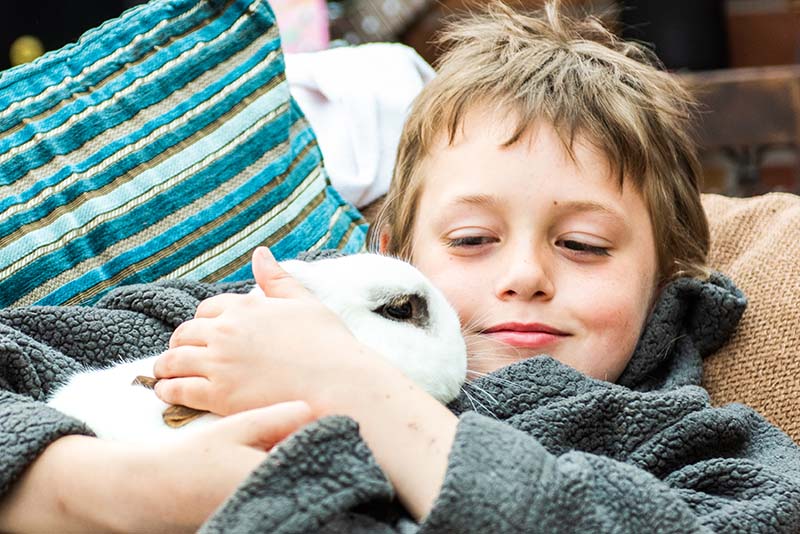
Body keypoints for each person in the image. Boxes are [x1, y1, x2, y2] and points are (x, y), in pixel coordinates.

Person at [1, 2, 799, 532]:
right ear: (392, 252)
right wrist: (115, 493)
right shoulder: (259, 319)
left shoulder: (690, 443)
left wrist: (359, 393)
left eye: (583, 246)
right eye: (472, 240)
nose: (525, 275)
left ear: (665, 283)